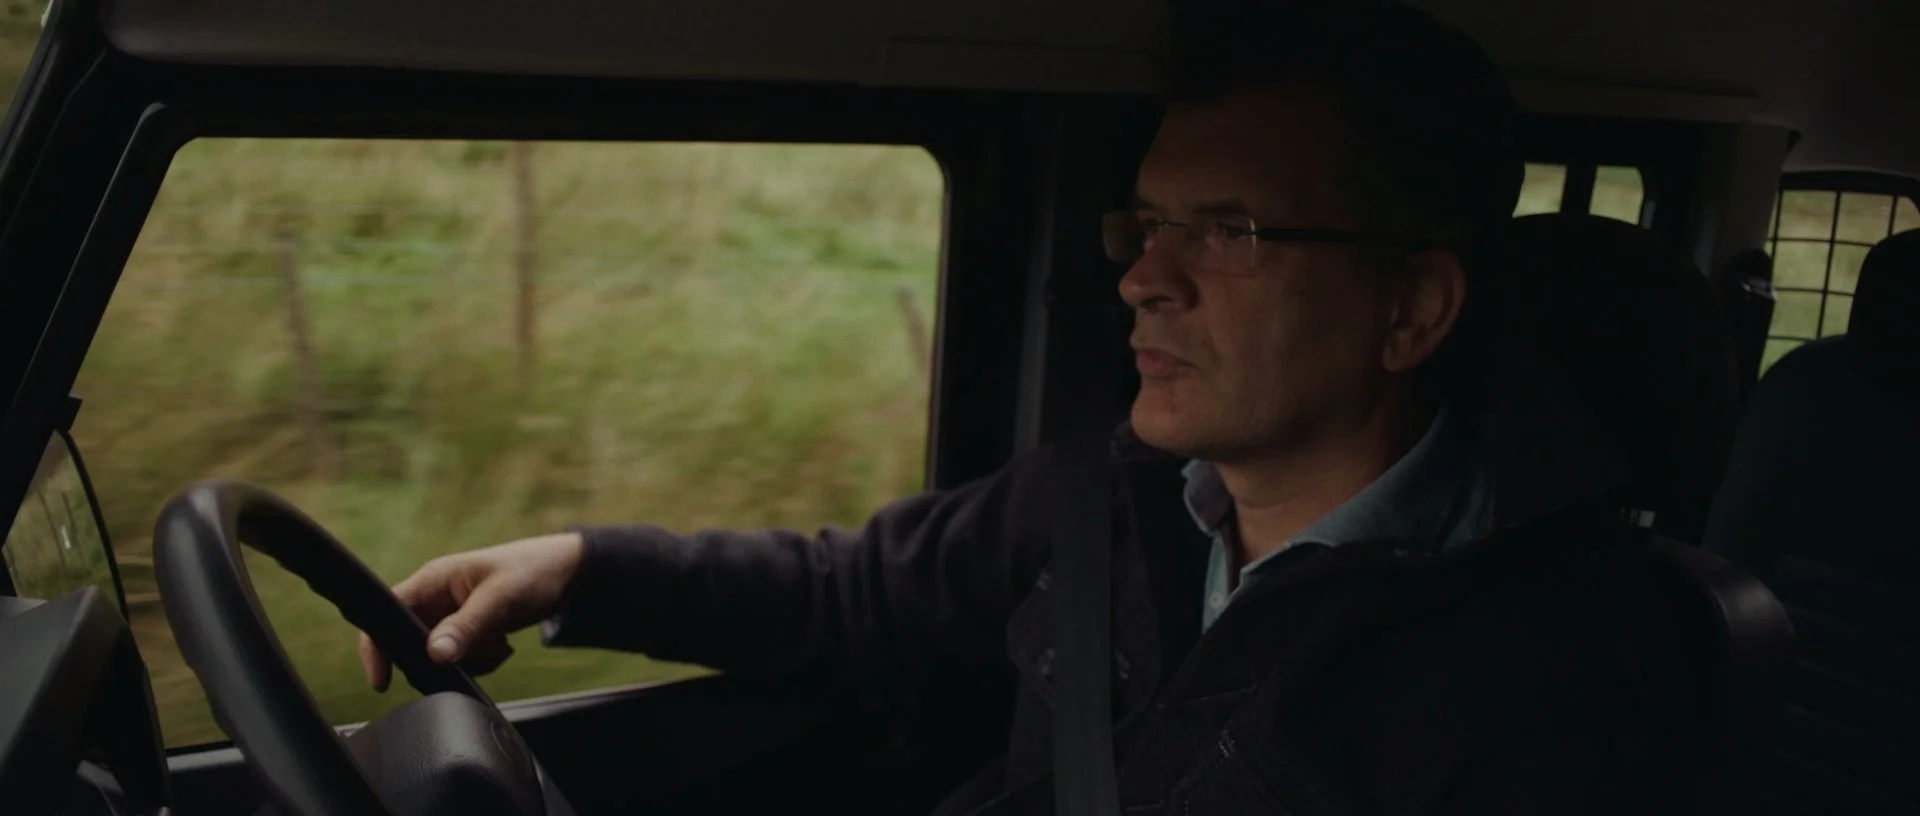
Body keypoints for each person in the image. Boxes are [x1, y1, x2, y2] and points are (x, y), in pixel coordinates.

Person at [362, 2, 1707, 812]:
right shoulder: (1112, 493)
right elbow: (859, 596)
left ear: (1412, 309)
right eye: (1151, 220)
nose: (1143, 277)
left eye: (1228, 231)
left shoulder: (1568, 676)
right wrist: (583, 571)